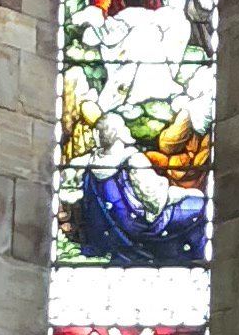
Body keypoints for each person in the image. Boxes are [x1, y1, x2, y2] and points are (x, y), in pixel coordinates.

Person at [67, 106, 207, 266]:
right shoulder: (133, 160)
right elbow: (155, 202)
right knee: (201, 206)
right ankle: (195, 261)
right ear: (120, 134)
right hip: (140, 227)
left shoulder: (88, 163)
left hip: (113, 230)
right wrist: (184, 193)